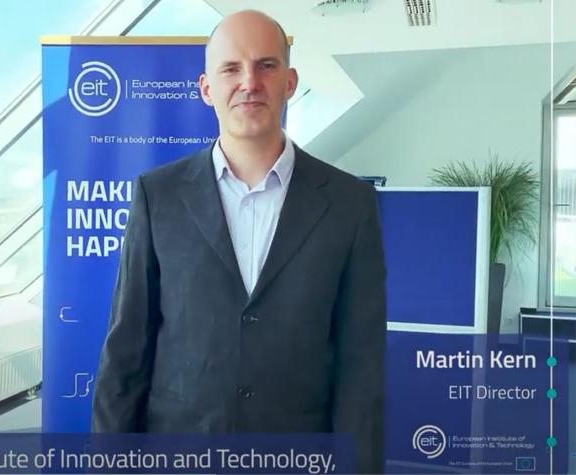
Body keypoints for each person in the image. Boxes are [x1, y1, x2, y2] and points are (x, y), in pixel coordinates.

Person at [91, 9, 386, 474]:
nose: (249, 82)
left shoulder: (351, 204)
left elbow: (361, 365)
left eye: (266, 65)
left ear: (290, 82)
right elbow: (127, 350)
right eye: (231, 68)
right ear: (207, 88)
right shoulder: (157, 195)